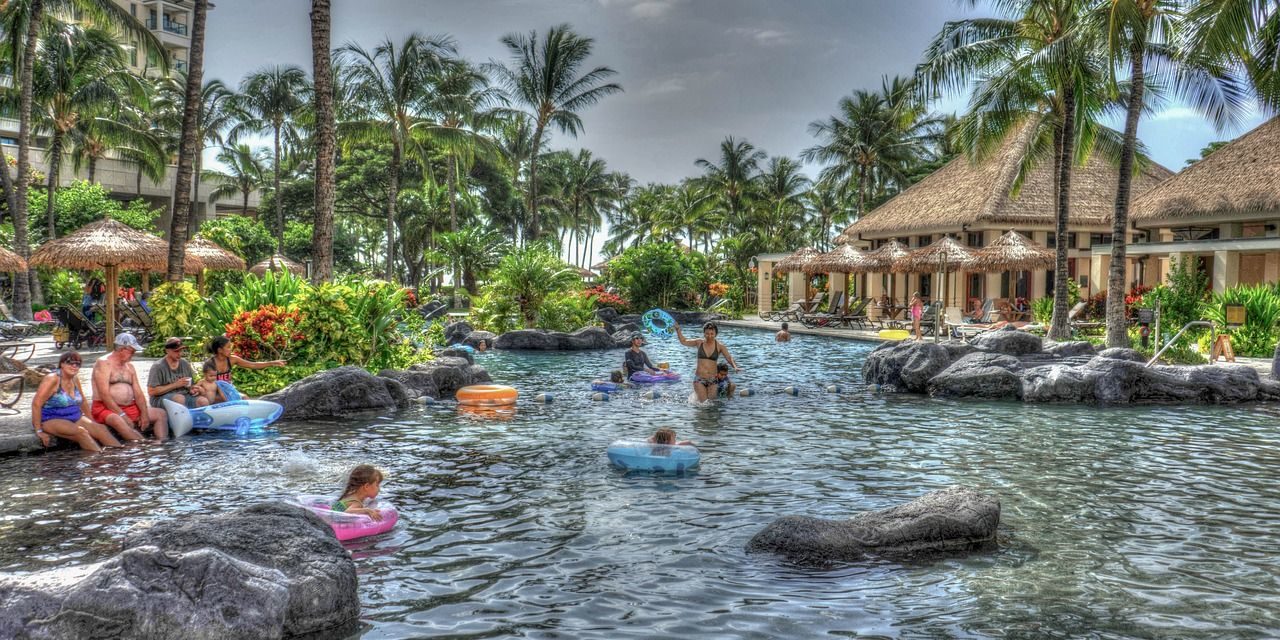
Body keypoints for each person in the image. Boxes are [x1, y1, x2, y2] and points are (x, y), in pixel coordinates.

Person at [32, 352, 121, 452]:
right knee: (81, 432)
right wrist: (38, 430)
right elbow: (36, 404)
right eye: (70, 362)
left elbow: (82, 402)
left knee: (101, 429)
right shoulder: (52, 379)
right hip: (51, 418)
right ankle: (97, 461)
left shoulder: (74, 379)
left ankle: (119, 459)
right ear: (62, 364)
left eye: (78, 364)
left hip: (74, 416)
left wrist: (92, 420)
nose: (74, 366)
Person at [91, 332, 167, 441]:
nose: (133, 354)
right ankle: (143, 446)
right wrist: (122, 415)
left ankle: (161, 444)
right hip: (105, 408)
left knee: (161, 414)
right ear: (122, 349)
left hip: (129, 406)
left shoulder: (130, 367)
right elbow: (104, 395)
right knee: (118, 421)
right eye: (132, 351)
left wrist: (144, 413)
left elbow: (138, 393)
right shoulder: (103, 363)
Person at [674, 321, 741, 402]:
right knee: (704, 404)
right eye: (707, 333)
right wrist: (678, 330)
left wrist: (735, 367)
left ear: (716, 334)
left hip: (713, 380)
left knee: (711, 405)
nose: (709, 336)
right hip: (699, 379)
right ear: (704, 333)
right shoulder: (699, 342)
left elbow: (729, 358)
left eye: (712, 334)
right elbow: (683, 341)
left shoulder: (720, 346)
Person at [204, 335, 287, 386]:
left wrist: (273, 363)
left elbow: (253, 365)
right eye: (228, 347)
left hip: (229, 390)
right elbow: (207, 382)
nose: (231, 349)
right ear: (220, 350)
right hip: (215, 391)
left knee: (245, 398)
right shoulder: (210, 363)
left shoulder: (233, 359)